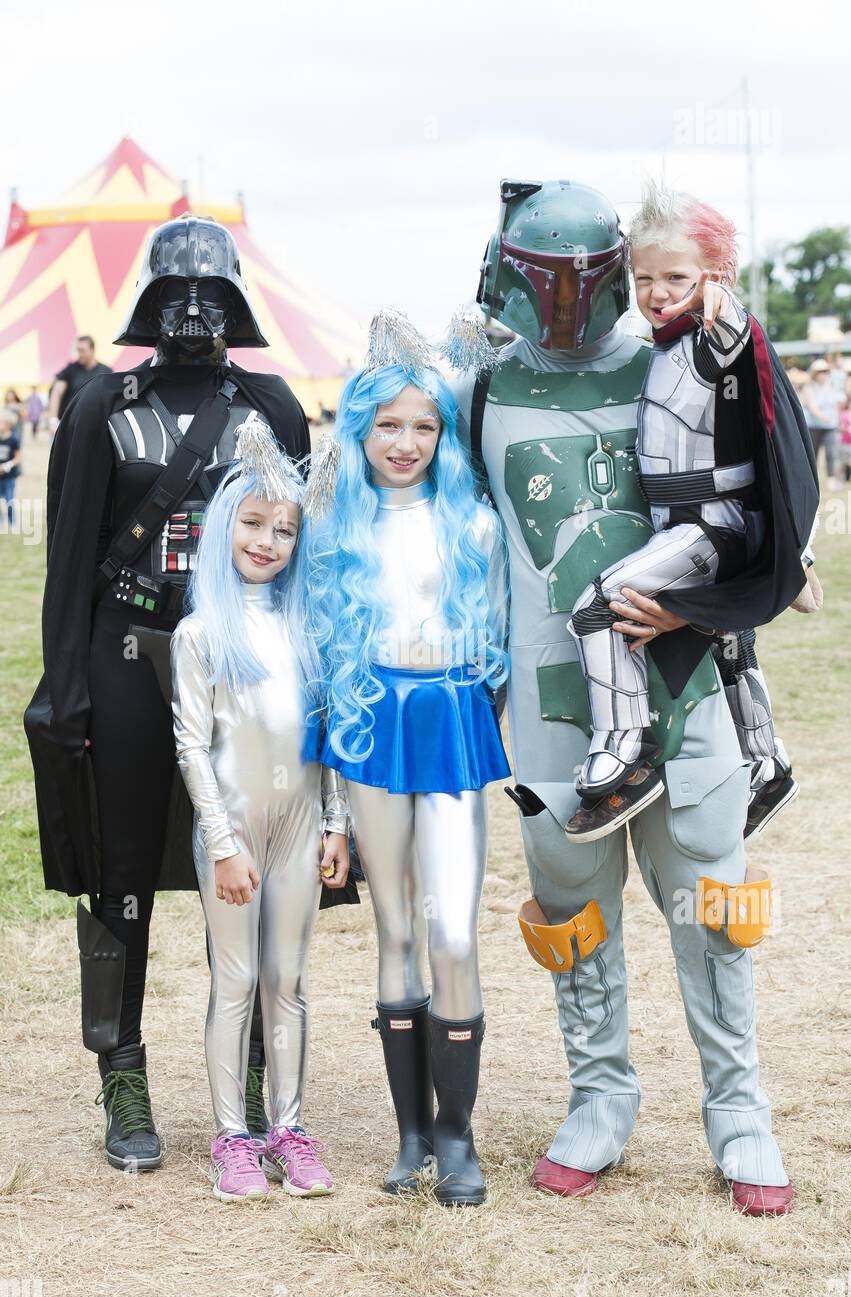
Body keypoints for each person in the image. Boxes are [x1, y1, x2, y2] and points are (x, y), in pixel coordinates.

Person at [452, 179, 817, 1216]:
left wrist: (711, 607)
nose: (564, 301)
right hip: (546, 698)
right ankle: (598, 1096)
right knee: (571, 907)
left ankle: (738, 1108)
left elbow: (764, 498)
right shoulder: (476, 390)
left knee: (712, 903)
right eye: (543, 280)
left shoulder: (686, 359)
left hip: (686, 682)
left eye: (583, 278)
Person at [24, 215, 312, 1172]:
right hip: (126, 653)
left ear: (235, 302)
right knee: (121, 871)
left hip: (245, 658)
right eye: (177, 294)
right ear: (149, 301)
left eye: (213, 294)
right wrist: (65, 687)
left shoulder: (270, 409)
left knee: (260, 854)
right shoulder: (105, 401)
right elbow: (68, 561)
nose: (194, 311)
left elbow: (300, 555)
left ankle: (267, 1072)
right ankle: (125, 1074)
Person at [305, 311, 509, 1206]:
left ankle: (459, 1137)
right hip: (368, 724)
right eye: (388, 423)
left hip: (452, 714)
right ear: (360, 426)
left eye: (424, 424)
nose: (406, 441)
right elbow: (319, 660)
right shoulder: (330, 524)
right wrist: (331, 816)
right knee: (393, 933)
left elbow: (502, 635)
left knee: (453, 934)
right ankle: (411, 1136)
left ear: (444, 432)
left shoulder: (474, 522)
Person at [565, 186, 814, 840]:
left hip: (714, 523)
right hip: (685, 525)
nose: (655, 290)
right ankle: (765, 760)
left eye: (675, 276)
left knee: (597, 606)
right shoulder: (666, 346)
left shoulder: (712, 335)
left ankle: (626, 744)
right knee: (727, 640)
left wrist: (716, 290)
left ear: (710, 276)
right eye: (642, 277)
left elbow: (733, 327)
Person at [171, 416, 350, 1202]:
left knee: (290, 978)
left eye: (284, 530)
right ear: (223, 528)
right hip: (235, 831)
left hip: (302, 827)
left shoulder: (308, 628)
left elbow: (326, 736)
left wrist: (338, 824)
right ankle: (232, 1137)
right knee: (236, 980)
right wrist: (219, 841)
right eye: (252, 523)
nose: (268, 541)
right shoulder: (201, 632)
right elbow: (190, 746)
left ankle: (289, 1127)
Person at [48, 336, 111, 430]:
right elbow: (56, 394)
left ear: (92, 350)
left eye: (82, 350)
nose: (79, 354)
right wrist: (53, 420)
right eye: (78, 350)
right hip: (70, 425)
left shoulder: (106, 371)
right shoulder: (70, 370)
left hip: (96, 425)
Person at [800, 359, 844, 486]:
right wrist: (823, 417)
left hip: (831, 425)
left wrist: (838, 420)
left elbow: (838, 405)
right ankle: (811, 481)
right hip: (814, 425)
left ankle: (831, 479)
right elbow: (813, 407)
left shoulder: (832, 386)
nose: (823, 374)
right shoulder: (809, 388)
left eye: (825, 371)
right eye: (820, 371)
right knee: (813, 454)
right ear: (815, 373)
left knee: (831, 452)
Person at [0, 408, 22, 526]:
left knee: (9, 500)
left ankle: (12, 522)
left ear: (8, 424)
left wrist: (7, 466)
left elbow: (18, 457)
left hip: (9, 477)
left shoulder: (13, 440)